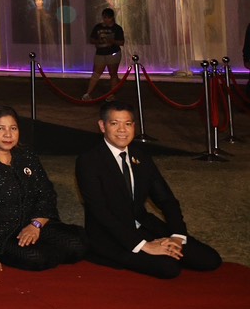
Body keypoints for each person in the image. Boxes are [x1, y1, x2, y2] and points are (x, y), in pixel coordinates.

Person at [75, 101, 221, 279]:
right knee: (169, 267)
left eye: (128, 124)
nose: (122, 130)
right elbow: (100, 212)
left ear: (134, 126)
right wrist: (144, 245)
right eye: (114, 123)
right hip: (110, 234)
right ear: (102, 126)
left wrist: (176, 236)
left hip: (144, 225)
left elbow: (166, 199)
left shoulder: (141, 156)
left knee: (209, 259)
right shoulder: (89, 161)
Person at [0, 105, 85, 271]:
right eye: (0, 128)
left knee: (78, 244)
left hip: (33, 223)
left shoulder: (27, 156)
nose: (8, 134)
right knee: (36, 258)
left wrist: (36, 225)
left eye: (13, 128)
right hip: (2, 235)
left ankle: (46, 248)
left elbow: (46, 193)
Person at [82, 7, 125, 100]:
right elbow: (91, 39)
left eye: (107, 18)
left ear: (112, 18)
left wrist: (112, 41)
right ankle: (88, 94)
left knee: (113, 74)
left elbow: (121, 42)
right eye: (104, 17)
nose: (105, 20)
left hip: (113, 53)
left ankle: (112, 94)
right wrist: (98, 41)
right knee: (96, 73)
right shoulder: (98, 27)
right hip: (100, 53)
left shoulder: (117, 28)